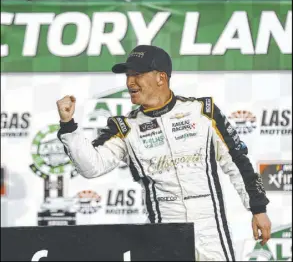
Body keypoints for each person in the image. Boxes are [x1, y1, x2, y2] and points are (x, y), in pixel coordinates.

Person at [56, 45, 271, 261]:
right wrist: (68, 127)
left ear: (161, 77)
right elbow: (92, 166)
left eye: (137, 74)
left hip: (210, 229)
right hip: (164, 231)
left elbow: (237, 161)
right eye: (128, 75)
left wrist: (258, 209)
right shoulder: (125, 127)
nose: (130, 82)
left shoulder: (203, 112)